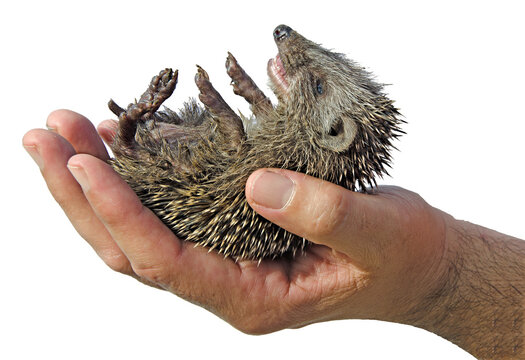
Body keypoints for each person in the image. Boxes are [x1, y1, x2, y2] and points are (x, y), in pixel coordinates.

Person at [23, 109, 524, 359]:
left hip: (215, 165)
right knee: (198, 141)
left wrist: (437, 279)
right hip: (210, 156)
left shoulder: (282, 158)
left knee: (208, 147)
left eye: (318, 89)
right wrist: (439, 273)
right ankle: (138, 124)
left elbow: (236, 137)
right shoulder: (289, 141)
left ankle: (135, 126)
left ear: (333, 135)